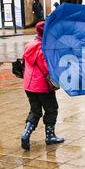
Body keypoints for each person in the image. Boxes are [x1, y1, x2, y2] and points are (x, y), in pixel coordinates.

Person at [21, 21, 65, 151]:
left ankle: (26, 134)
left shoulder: (30, 45)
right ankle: (50, 136)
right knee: (51, 109)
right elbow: (48, 68)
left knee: (35, 111)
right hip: (42, 86)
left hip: (29, 86)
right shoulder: (44, 49)